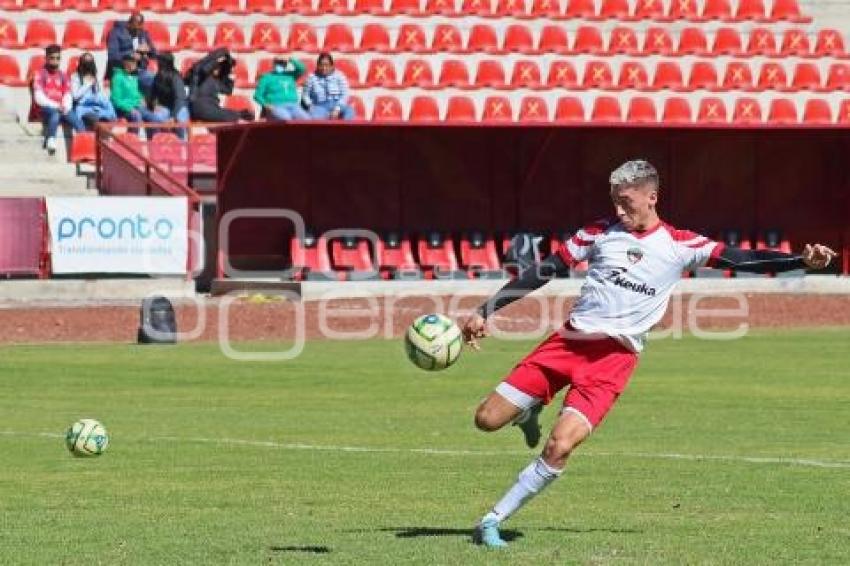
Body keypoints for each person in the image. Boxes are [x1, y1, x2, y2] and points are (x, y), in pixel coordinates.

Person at [461, 159, 838, 548]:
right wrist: (486, 310)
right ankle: (528, 409)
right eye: (614, 202)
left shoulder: (679, 245)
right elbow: (545, 270)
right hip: (568, 344)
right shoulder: (597, 233)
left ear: (651, 197)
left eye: (625, 202)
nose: (618, 211)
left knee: (560, 445)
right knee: (486, 419)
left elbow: (740, 259)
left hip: (613, 362)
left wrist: (800, 261)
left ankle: (493, 519)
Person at [32, 44, 82, 155]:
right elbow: (39, 97)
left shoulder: (63, 75)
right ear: (46, 58)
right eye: (52, 58)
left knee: (76, 120)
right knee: (55, 114)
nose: (55, 61)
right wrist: (56, 105)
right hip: (46, 109)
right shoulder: (40, 74)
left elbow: (68, 94)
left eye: (58, 58)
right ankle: (51, 139)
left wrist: (65, 106)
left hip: (62, 108)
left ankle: (86, 144)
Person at [188, 49, 253, 123]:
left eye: (219, 68)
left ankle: (241, 114)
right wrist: (219, 55)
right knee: (231, 116)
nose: (218, 70)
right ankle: (240, 115)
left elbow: (228, 91)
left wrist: (228, 73)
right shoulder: (200, 76)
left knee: (232, 114)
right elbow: (199, 67)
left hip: (212, 108)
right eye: (217, 67)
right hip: (200, 108)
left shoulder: (216, 80)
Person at [110, 54, 168, 135]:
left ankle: (152, 142)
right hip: (123, 108)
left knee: (155, 119)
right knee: (136, 117)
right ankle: (133, 141)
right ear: (127, 64)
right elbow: (116, 99)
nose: (135, 65)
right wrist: (129, 109)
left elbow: (135, 92)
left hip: (137, 106)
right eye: (133, 63)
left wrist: (141, 98)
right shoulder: (118, 77)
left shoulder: (133, 77)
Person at [105, 11, 156, 95]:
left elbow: (154, 54)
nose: (138, 32)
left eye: (140, 29)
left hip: (140, 70)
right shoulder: (116, 33)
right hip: (121, 70)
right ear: (128, 24)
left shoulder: (143, 34)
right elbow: (112, 55)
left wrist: (148, 49)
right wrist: (131, 54)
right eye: (135, 29)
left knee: (155, 80)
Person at [254, 55, 309, 121]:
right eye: (278, 62)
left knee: (307, 120)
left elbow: (302, 68)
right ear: (274, 63)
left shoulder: (291, 75)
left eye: (283, 63)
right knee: (286, 119)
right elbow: (257, 95)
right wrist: (266, 105)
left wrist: (290, 59)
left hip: (294, 106)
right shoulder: (266, 77)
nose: (280, 65)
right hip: (276, 106)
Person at [70, 51, 116, 130]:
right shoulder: (75, 77)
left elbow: (101, 93)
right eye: (86, 62)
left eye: (90, 62)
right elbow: (75, 96)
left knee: (108, 119)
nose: (88, 64)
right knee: (97, 120)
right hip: (84, 107)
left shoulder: (96, 77)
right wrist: (87, 84)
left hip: (98, 106)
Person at [302, 52, 355, 120]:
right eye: (321, 65)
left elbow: (345, 94)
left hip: (337, 104)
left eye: (327, 65)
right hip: (319, 106)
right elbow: (305, 95)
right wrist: (310, 106)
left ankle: (344, 130)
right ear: (317, 65)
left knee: (350, 111)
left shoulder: (339, 76)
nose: (324, 68)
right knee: (314, 115)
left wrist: (337, 109)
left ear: (332, 66)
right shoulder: (311, 77)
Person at [150, 52, 189, 137]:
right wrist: (154, 105)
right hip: (165, 107)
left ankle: (182, 144)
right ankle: (157, 142)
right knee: (155, 117)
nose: (158, 64)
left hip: (178, 107)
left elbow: (180, 99)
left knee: (180, 119)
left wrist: (173, 117)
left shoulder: (175, 77)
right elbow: (152, 96)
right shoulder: (157, 77)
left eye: (159, 62)